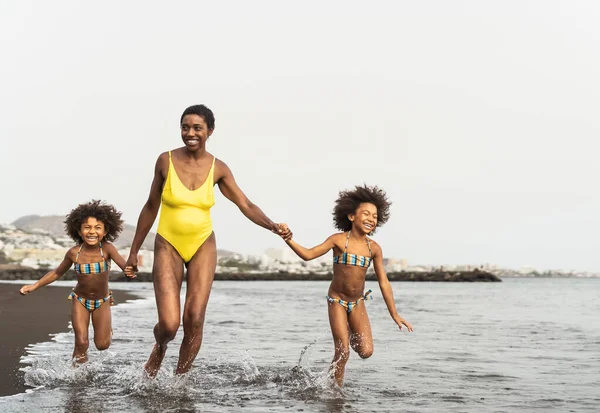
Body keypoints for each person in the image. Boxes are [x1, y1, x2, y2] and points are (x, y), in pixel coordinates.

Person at [125, 104, 291, 377]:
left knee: (195, 319)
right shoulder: (165, 161)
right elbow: (151, 206)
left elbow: (245, 204)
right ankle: (160, 347)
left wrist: (272, 226)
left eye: (197, 128)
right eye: (185, 127)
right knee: (169, 324)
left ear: (210, 131)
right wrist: (133, 251)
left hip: (203, 243)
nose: (190, 133)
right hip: (168, 243)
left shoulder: (219, 168)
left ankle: (179, 381)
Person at [283, 184, 413, 387]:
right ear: (351, 216)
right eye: (366, 214)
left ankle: (346, 337)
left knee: (366, 351)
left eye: (375, 216)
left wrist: (394, 314)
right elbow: (308, 255)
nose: (371, 219)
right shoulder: (338, 240)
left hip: (357, 303)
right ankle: (336, 392)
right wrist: (288, 239)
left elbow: (384, 283)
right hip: (337, 301)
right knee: (343, 351)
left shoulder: (374, 248)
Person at [20, 200, 136, 364]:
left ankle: (106, 328)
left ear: (105, 231)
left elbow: (125, 266)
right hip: (80, 300)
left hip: (102, 301)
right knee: (81, 342)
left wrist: (129, 270)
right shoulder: (74, 253)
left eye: (97, 227)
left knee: (102, 345)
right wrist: (34, 286)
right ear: (79, 231)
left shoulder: (108, 249)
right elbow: (56, 272)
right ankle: (77, 374)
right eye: (87, 227)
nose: (92, 231)